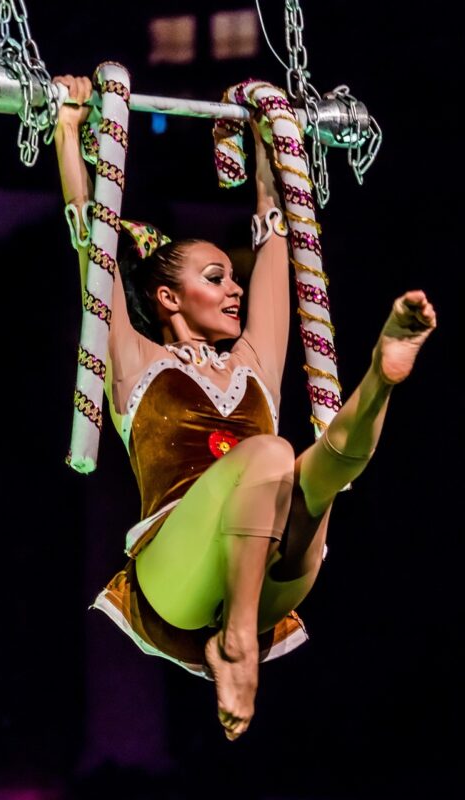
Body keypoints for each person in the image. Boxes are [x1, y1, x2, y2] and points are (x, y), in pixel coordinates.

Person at [54, 75, 437, 741]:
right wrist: (67, 128)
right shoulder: (137, 362)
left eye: (232, 278)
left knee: (319, 471)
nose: (233, 289)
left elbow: (273, 232)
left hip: (270, 573)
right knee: (273, 453)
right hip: (177, 574)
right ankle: (234, 644)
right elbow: (93, 243)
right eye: (213, 279)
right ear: (169, 299)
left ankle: (381, 376)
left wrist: (271, 140)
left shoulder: (255, 360)